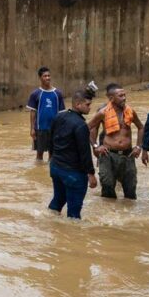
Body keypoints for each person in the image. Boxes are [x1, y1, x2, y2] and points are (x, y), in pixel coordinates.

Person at [47, 90, 99, 219]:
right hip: (73, 173)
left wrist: (52, 159)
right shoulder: (81, 125)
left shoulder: (58, 117)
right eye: (87, 104)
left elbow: (51, 140)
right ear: (77, 104)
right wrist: (91, 174)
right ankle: (73, 235)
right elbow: (84, 152)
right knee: (74, 213)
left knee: (57, 201)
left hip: (56, 168)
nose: (90, 107)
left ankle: (51, 225)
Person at [88, 83, 144, 199]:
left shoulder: (131, 111)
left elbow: (141, 127)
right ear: (111, 98)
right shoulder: (103, 112)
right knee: (107, 187)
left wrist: (138, 147)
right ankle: (110, 215)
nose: (124, 98)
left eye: (124, 95)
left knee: (130, 191)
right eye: (120, 96)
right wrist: (95, 146)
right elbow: (88, 128)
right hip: (108, 154)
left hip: (128, 155)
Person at [27, 66, 65, 161]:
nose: (48, 78)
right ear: (40, 78)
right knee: (39, 155)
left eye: (49, 75)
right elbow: (33, 112)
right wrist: (32, 129)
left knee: (52, 155)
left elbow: (61, 114)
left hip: (54, 129)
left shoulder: (58, 93)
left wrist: (61, 129)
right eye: (45, 76)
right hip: (40, 128)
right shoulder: (35, 94)